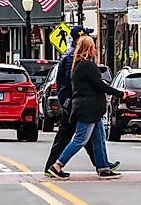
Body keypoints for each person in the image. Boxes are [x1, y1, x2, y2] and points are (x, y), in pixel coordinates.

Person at [47, 35, 125, 179]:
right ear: (89, 49)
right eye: (94, 47)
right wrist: (120, 94)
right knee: (80, 139)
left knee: (99, 138)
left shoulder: (78, 65)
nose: (95, 49)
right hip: (87, 109)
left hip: (93, 109)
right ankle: (57, 166)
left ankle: (104, 168)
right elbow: (99, 85)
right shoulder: (87, 65)